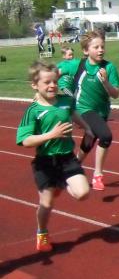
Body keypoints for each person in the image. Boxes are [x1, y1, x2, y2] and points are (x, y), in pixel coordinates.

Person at [17, 60, 90, 252]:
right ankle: (42, 232)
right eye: (47, 82)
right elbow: (25, 140)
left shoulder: (65, 101)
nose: (52, 86)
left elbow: (72, 113)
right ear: (35, 85)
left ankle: (62, 182)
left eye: (55, 82)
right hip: (45, 162)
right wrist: (51, 135)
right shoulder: (33, 110)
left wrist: (87, 127)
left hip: (67, 158)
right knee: (47, 203)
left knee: (83, 193)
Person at [60, 30, 119, 191]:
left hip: (102, 111)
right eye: (96, 47)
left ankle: (72, 169)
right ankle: (98, 175)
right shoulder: (77, 65)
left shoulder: (109, 67)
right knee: (105, 136)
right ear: (86, 51)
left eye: (102, 46)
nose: (101, 50)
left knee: (90, 138)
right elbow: (55, 72)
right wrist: (44, 90)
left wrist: (106, 82)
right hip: (82, 108)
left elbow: (115, 94)